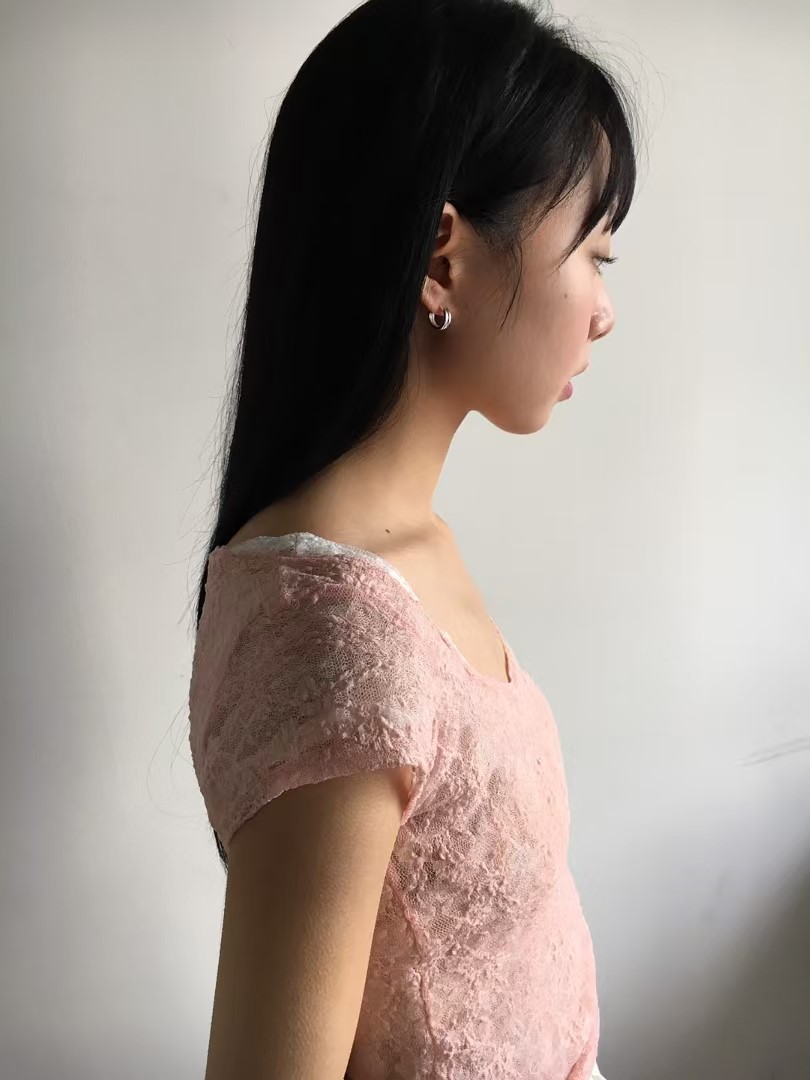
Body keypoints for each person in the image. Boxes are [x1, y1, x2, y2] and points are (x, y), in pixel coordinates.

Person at [187, 0, 639, 1077]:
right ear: (443, 259)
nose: (603, 310)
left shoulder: (409, 555)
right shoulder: (333, 636)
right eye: (595, 253)